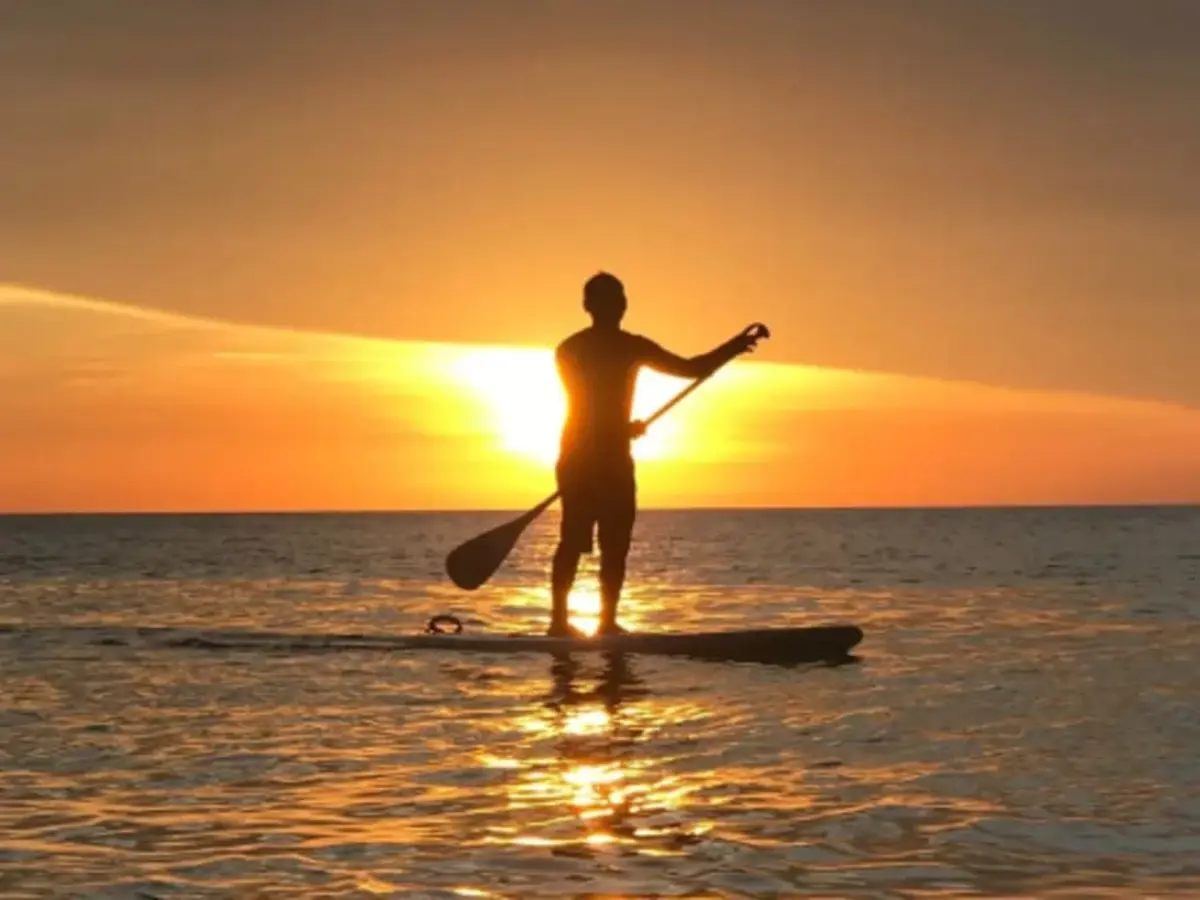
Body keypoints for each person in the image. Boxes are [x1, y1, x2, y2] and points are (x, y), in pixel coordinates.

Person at [549, 271, 767, 637]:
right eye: (609, 299)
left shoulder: (633, 347)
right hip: (580, 458)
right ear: (589, 306)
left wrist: (733, 347)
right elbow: (585, 405)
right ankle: (557, 623)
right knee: (574, 540)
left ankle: (606, 623)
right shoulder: (569, 351)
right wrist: (621, 428)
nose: (617, 305)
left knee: (615, 544)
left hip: (616, 460)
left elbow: (691, 368)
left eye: (620, 298)